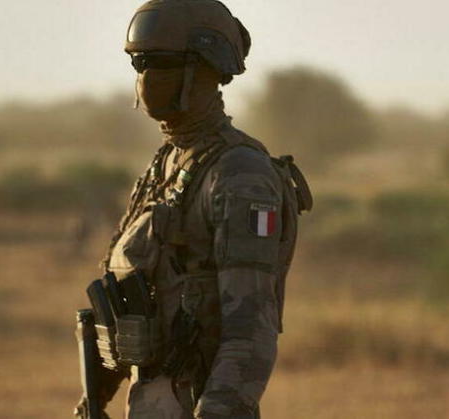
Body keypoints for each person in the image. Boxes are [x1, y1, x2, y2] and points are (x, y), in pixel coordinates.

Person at [75, 1, 312, 417]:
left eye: (161, 62)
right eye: (139, 63)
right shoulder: (164, 165)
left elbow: (250, 331)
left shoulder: (240, 174)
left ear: (204, 68)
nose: (146, 77)